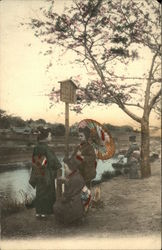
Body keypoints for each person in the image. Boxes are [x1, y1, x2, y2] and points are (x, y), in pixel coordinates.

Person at [29, 129, 62, 218]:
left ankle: (38, 212)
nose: (51, 137)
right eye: (50, 136)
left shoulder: (36, 147)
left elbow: (35, 161)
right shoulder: (47, 148)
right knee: (48, 192)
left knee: (39, 192)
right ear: (45, 138)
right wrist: (59, 166)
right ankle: (45, 213)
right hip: (46, 174)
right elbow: (53, 161)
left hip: (38, 172)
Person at [53, 158, 85, 224]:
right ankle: (76, 218)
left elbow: (67, 196)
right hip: (80, 203)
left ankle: (69, 220)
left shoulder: (74, 180)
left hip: (74, 205)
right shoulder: (77, 175)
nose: (64, 170)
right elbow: (73, 184)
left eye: (65, 168)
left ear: (71, 169)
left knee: (56, 206)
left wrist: (60, 200)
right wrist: (66, 180)